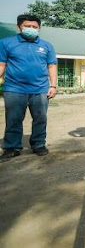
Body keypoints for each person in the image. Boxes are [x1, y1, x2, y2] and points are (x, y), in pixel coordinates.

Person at [0, 15, 57, 162]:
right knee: (13, 119)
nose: (31, 29)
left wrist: (53, 85)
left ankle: (38, 144)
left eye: (34, 27)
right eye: (27, 26)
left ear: (39, 28)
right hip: (14, 89)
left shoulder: (47, 46)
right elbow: (1, 65)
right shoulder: (6, 43)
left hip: (40, 89)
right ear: (19, 27)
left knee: (40, 118)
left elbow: (52, 66)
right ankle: (12, 147)